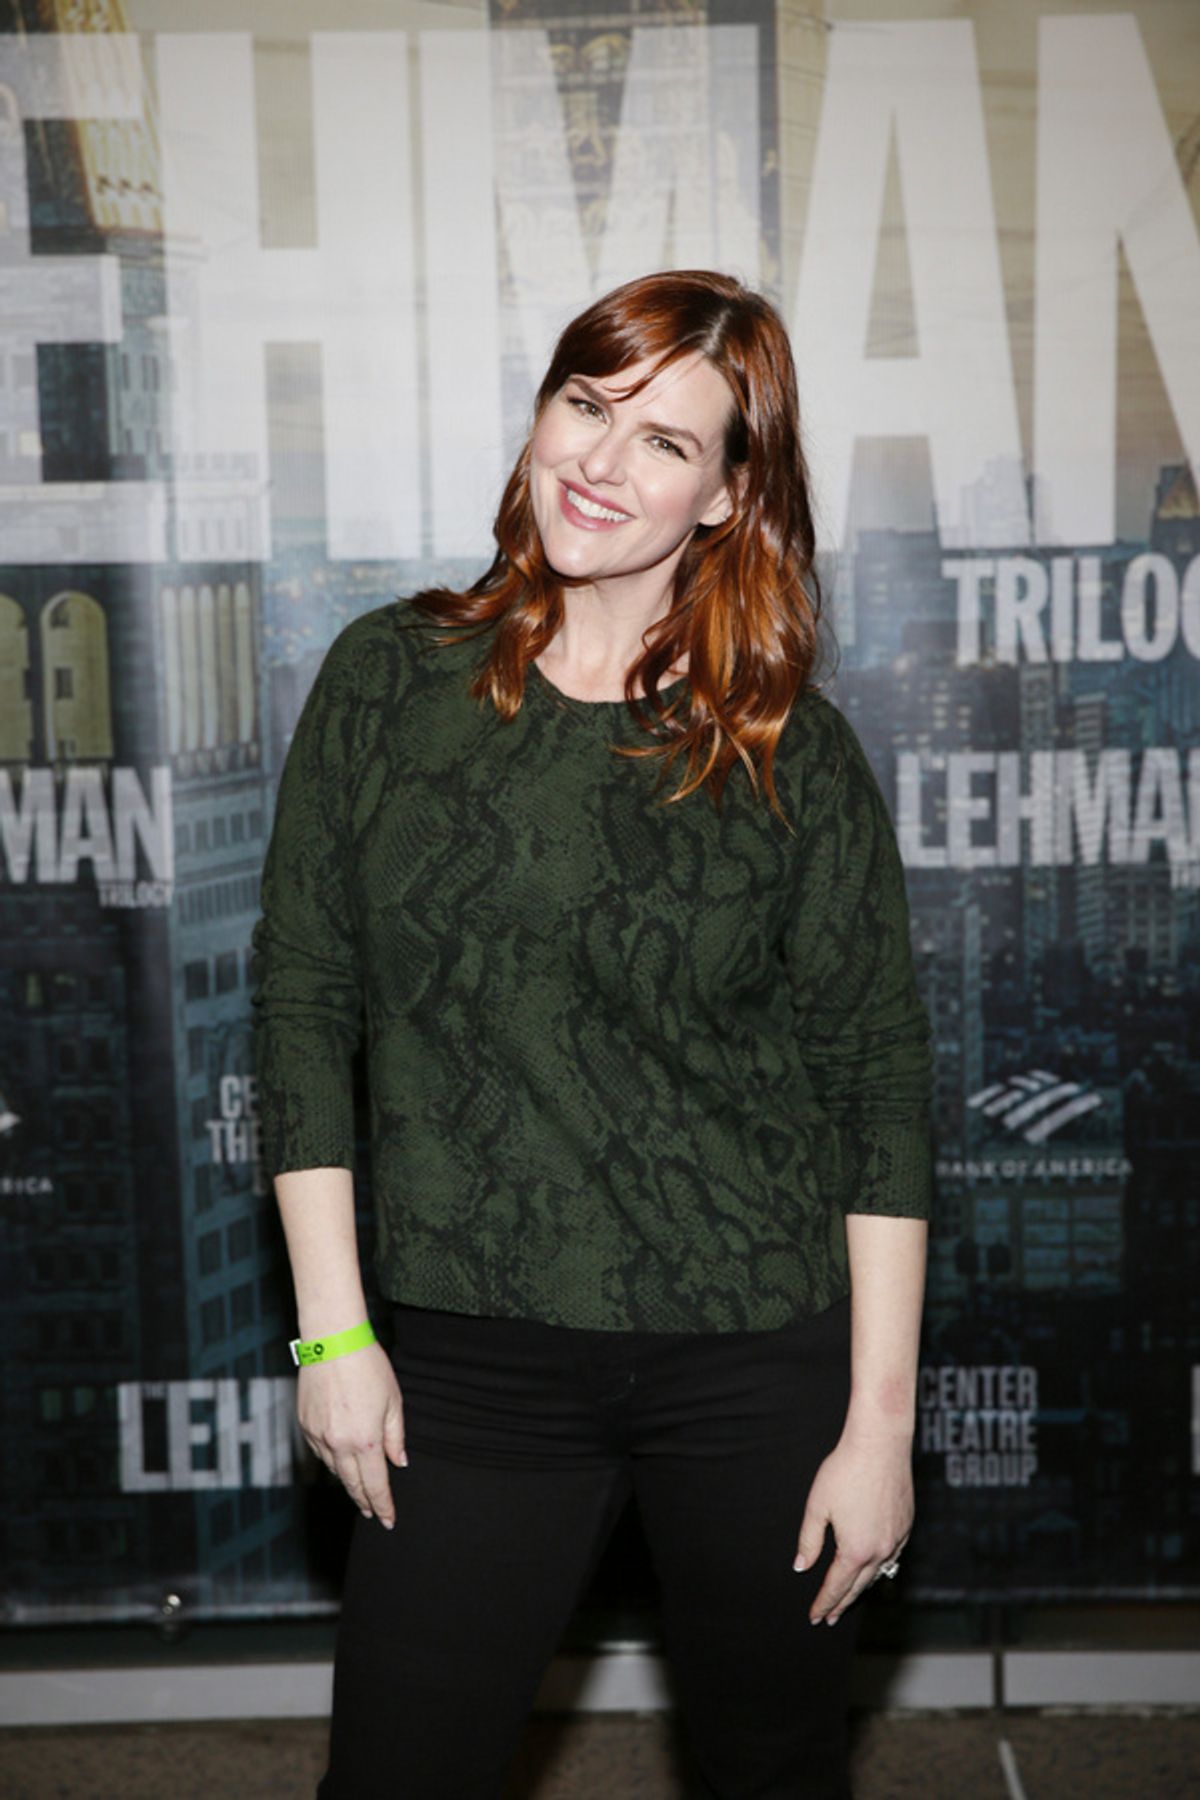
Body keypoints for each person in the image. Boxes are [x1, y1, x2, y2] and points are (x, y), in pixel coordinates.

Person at [251, 269, 933, 1800]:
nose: (601, 462)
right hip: (470, 1360)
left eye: (665, 441)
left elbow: (878, 1089)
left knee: (772, 1771)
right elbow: (302, 1001)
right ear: (543, 409)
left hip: (753, 1356)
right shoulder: (389, 681)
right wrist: (333, 1333)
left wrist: (879, 1430)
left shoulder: (787, 752)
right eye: (586, 404)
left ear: (727, 493)